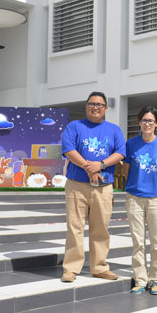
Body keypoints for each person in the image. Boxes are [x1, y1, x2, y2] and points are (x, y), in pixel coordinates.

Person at [60, 91, 126, 283]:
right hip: (77, 185)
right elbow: (68, 150)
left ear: (106, 108)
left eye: (99, 104)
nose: (95, 107)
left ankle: (99, 267)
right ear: (86, 106)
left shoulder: (114, 130)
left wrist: (101, 165)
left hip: (103, 187)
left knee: (101, 229)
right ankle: (71, 268)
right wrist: (89, 167)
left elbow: (121, 152)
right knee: (75, 228)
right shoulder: (74, 126)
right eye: (92, 104)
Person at [123, 107, 157, 295]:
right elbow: (126, 170)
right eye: (144, 120)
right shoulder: (131, 144)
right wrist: (138, 184)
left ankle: (156, 279)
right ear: (139, 122)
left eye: (151, 121)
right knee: (138, 241)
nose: (147, 124)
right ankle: (140, 279)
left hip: (156, 198)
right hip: (135, 197)